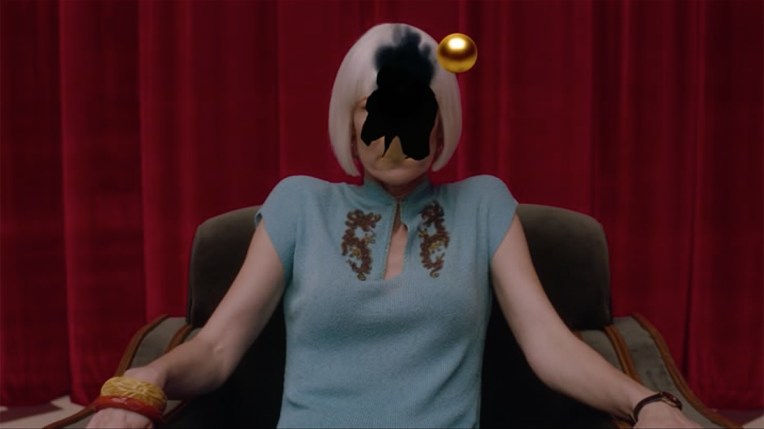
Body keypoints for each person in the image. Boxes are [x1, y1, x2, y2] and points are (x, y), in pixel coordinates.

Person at [87, 23, 700, 429]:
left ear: (441, 123)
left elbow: (550, 344)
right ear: (350, 124)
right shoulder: (298, 203)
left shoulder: (485, 204)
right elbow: (217, 348)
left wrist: (646, 401)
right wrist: (146, 378)